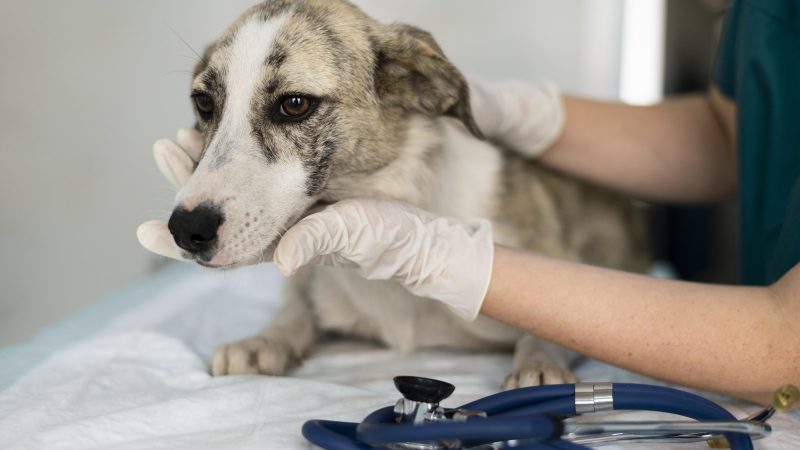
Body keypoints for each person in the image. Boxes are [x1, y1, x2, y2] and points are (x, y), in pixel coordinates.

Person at [140, 0, 799, 404]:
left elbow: (784, 348)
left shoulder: (497, 197)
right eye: (209, 102)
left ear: (411, 85)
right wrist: (535, 115)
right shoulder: (761, 13)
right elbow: (734, 135)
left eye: (293, 106)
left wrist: (459, 272)